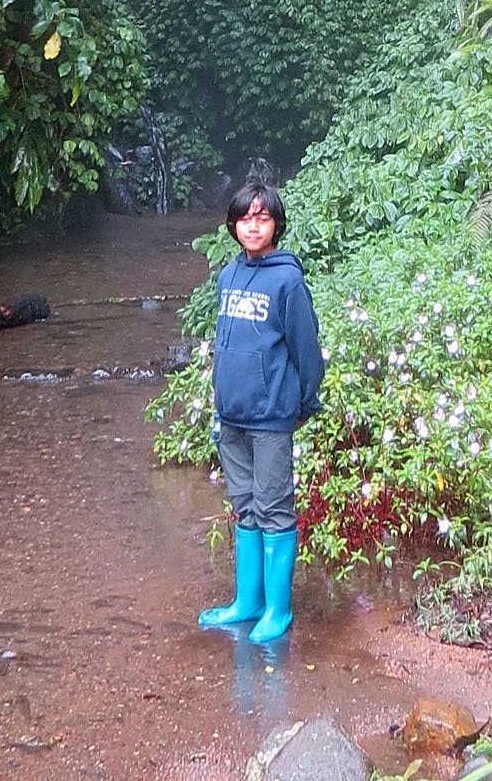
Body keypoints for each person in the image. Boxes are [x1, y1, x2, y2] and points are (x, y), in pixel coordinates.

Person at [198, 177, 324, 644]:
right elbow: (226, 346)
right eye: (245, 218)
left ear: (276, 224)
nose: (253, 226)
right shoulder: (228, 277)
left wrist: (302, 403)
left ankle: (278, 610)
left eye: (262, 217)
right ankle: (246, 603)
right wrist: (219, 402)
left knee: (274, 509)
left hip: (271, 416)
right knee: (245, 508)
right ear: (233, 225)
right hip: (231, 416)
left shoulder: (288, 280)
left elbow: (307, 351)